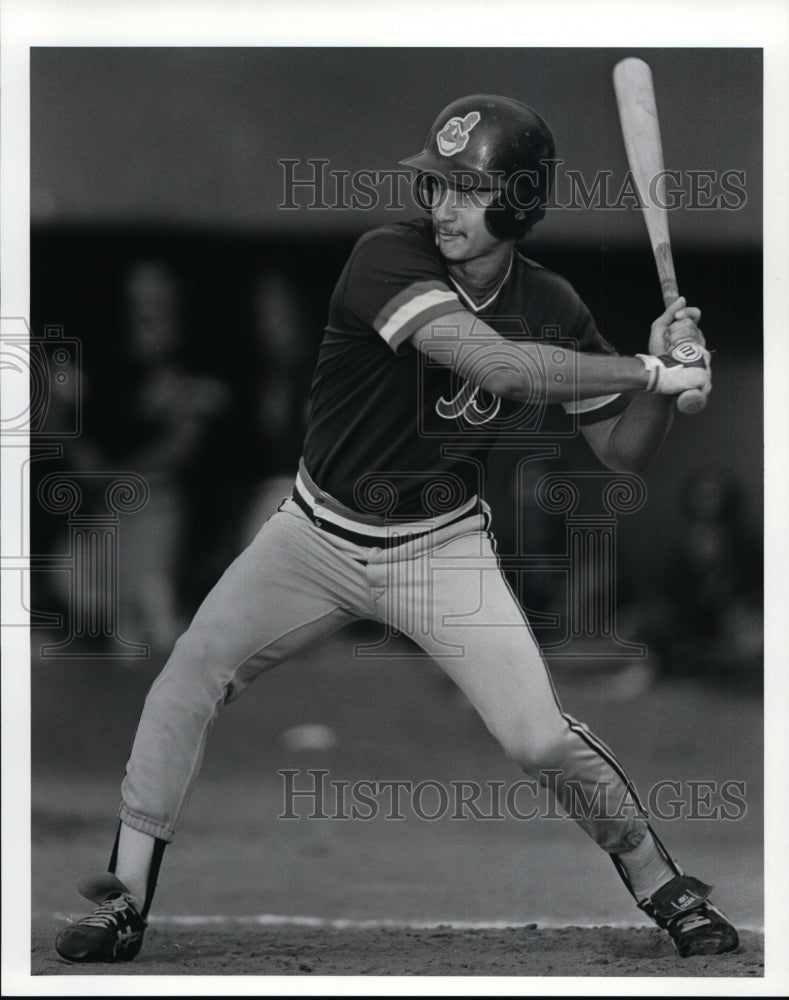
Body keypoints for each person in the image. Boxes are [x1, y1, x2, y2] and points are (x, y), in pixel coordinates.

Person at [54, 94, 737, 964]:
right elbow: (496, 362)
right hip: (313, 537)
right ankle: (127, 901)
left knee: (538, 737)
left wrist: (666, 391)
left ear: (519, 203)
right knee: (188, 673)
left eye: (465, 190)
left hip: (440, 549)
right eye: (436, 186)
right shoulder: (384, 257)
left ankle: (661, 885)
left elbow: (624, 455)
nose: (441, 206)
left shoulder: (553, 304)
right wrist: (648, 365)